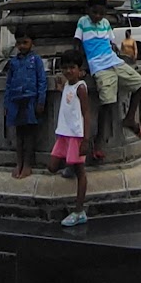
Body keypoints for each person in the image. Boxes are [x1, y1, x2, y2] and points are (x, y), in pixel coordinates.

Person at [74, 0, 141, 157]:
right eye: (94, 12)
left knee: (140, 83)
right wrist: (81, 67)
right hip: (99, 66)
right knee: (107, 103)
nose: (97, 16)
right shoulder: (83, 22)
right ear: (88, 10)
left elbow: (111, 44)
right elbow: (78, 44)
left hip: (114, 61)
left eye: (101, 13)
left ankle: (129, 118)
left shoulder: (106, 23)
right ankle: (98, 142)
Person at [49, 51, 93, 226]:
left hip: (76, 135)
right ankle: (70, 166)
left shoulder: (81, 88)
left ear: (80, 70)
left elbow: (86, 113)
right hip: (64, 134)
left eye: (72, 68)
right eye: (65, 68)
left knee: (81, 171)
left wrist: (86, 139)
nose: (68, 71)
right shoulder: (68, 85)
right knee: (52, 166)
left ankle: (79, 210)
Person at [5, 31, 48, 178]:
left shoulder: (36, 60)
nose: (22, 46)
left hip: (31, 100)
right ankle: (19, 163)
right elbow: (9, 83)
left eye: (25, 42)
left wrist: (40, 101)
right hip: (16, 100)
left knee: (29, 135)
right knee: (19, 134)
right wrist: (6, 104)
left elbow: (42, 81)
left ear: (32, 43)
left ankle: (28, 164)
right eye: (19, 43)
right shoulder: (13, 62)